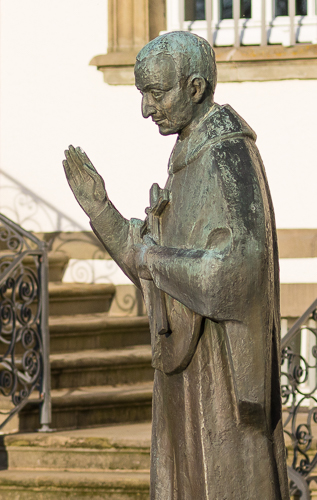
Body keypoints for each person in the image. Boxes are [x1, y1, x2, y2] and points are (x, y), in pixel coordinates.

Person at [63, 31, 289, 500]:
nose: (146, 109)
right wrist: (101, 210)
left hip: (221, 390)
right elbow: (150, 269)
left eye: (155, 93)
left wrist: (154, 256)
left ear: (195, 87)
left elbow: (237, 273)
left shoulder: (228, 154)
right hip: (188, 381)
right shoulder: (188, 157)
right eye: (142, 93)